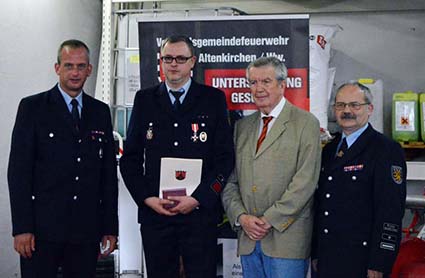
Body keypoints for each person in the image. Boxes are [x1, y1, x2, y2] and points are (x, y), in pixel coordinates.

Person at [119, 35, 234, 278]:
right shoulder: (145, 99)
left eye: (180, 58)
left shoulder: (213, 99)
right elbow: (130, 159)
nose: (174, 64)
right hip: (156, 214)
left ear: (192, 62)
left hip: (199, 213)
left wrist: (200, 197)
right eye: (168, 58)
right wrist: (146, 198)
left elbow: (224, 159)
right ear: (160, 61)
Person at [7, 39, 118, 278]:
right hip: (42, 230)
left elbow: (107, 176)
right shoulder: (33, 108)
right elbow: (19, 173)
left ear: (89, 69)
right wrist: (22, 228)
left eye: (81, 66)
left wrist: (110, 227)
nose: (75, 72)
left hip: (85, 231)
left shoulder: (99, 112)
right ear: (57, 68)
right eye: (69, 66)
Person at [221, 56, 321, 278]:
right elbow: (230, 181)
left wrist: (268, 220)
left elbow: (305, 183)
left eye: (266, 81)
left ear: (282, 84)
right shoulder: (242, 128)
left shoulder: (306, 124)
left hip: (286, 240)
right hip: (248, 239)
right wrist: (241, 217)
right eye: (253, 82)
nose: (258, 89)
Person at [312, 82, 406, 278]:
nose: (347, 111)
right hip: (328, 258)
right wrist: (316, 252)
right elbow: (322, 205)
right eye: (340, 105)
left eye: (355, 105)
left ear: (369, 109)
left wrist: (380, 262)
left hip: (362, 261)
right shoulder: (329, 150)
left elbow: (390, 210)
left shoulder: (386, 149)